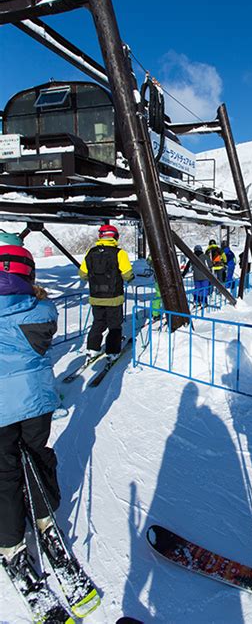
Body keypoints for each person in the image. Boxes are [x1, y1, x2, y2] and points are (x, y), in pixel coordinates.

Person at [0, 233, 61, 573]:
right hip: (35, 402)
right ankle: (44, 518)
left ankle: (10, 540)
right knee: (38, 457)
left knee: (4, 473)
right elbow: (46, 317)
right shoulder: (41, 312)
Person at [79, 224, 134, 362]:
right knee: (114, 325)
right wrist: (129, 277)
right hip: (113, 297)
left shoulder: (90, 252)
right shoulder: (119, 253)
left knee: (98, 323)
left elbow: (82, 274)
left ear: (100, 236)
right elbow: (127, 274)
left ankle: (93, 349)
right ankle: (112, 351)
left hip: (95, 297)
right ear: (115, 237)